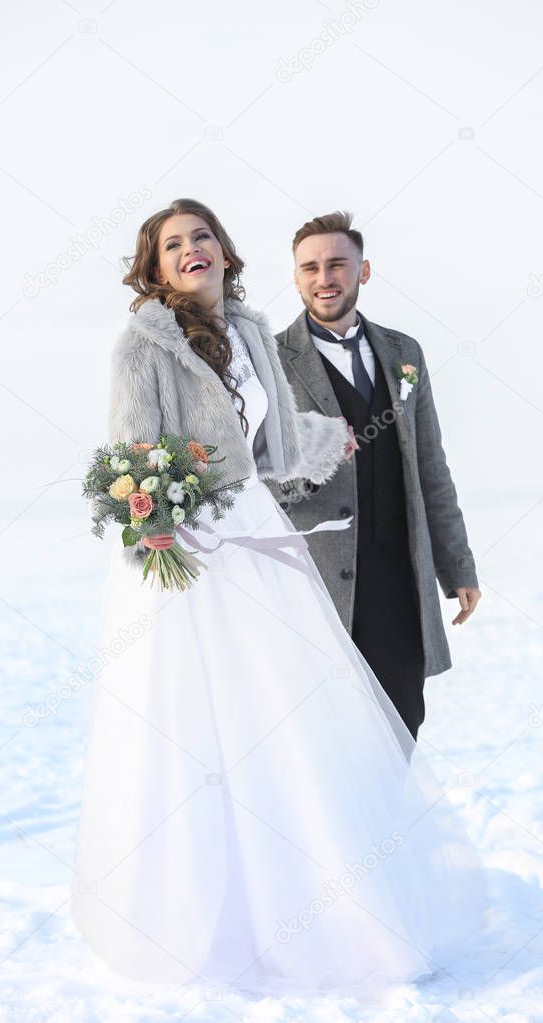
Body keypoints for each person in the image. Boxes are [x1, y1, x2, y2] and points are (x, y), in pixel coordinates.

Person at [71, 198, 487, 1000]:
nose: (191, 250)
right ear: (156, 268)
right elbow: (131, 457)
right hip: (188, 554)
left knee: (289, 730)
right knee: (206, 733)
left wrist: (328, 445)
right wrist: (156, 518)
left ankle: (326, 905)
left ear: (225, 252)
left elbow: (278, 450)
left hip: (258, 539)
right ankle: (212, 919)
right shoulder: (142, 347)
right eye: (173, 245)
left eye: (201, 237)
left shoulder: (252, 333)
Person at [268, 211, 481, 739]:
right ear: (295, 277)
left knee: (403, 725)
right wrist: (315, 462)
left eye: (337, 264)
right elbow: (260, 477)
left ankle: (395, 825)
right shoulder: (268, 361)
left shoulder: (405, 353)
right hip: (316, 588)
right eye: (310, 267)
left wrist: (457, 566)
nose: (324, 278)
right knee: (331, 738)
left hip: (401, 583)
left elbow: (431, 467)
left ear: (363, 271)